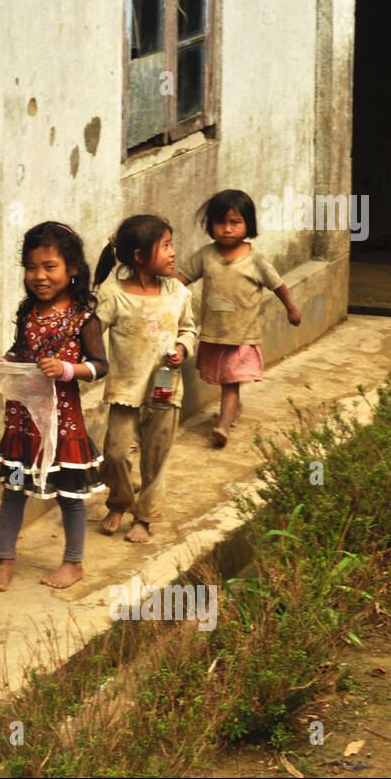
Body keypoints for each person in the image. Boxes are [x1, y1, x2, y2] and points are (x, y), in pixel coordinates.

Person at [0, 222, 108, 592]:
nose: (39, 276)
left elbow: (100, 366)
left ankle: (73, 563)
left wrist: (67, 369)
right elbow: (22, 354)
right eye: (32, 267)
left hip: (63, 426)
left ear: (72, 271)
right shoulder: (28, 313)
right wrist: (3, 362)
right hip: (23, 427)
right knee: (14, 491)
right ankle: (5, 562)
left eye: (50, 266)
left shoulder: (83, 319)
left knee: (69, 496)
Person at [93, 215, 197, 544]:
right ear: (138, 256)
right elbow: (92, 332)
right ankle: (121, 500)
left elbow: (189, 329)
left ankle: (145, 517)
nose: (173, 253)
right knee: (117, 454)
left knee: (156, 457)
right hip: (125, 390)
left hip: (166, 392)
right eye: (165, 246)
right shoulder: (113, 295)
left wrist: (182, 347)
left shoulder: (178, 292)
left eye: (171, 245)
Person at [174, 190, 301, 447]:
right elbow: (182, 280)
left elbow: (277, 285)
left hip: (241, 336)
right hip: (214, 333)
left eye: (235, 222)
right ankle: (235, 408)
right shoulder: (206, 255)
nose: (227, 229)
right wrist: (157, 296)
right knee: (223, 379)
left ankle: (222, 426)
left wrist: (291, 308)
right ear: (211, 226)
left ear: (248, 225)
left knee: (231, 383)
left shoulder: (255, 259)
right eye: (221, 223)